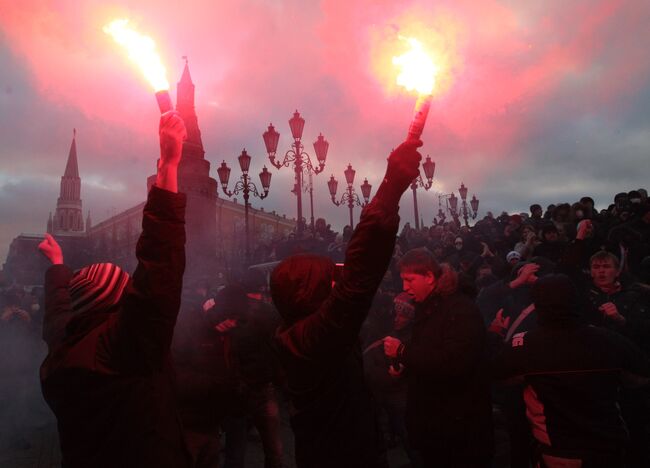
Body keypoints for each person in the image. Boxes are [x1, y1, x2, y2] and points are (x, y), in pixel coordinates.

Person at [37, 111, 191, 468]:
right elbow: (159, 277)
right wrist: (168, 168)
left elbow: (59, 310)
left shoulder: (65, 348)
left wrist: (59, 265)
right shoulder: (122, 351)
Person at [271, 139, 422, 468]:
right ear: (307, 291)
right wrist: (391, 186)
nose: (336, 283)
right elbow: (357, 280)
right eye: (328, 280)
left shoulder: (300, 334)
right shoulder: (308, 339)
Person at [492, 274, 650, 467]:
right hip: (609, 448)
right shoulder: (608, 339)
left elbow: (496, 377)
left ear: (538, 303)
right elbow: (641, 375)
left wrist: (494, 336)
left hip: (559, 452)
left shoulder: (524, 345)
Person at [383, 248, 494, 467]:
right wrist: (406, 367)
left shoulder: (460, 310)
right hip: (436, 426)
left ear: (429, 277)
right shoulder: (428, 308)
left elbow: (454, 362)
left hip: (457, 432)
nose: (405, 287)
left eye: (410, 280)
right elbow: (429, 353)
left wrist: (403, 352)